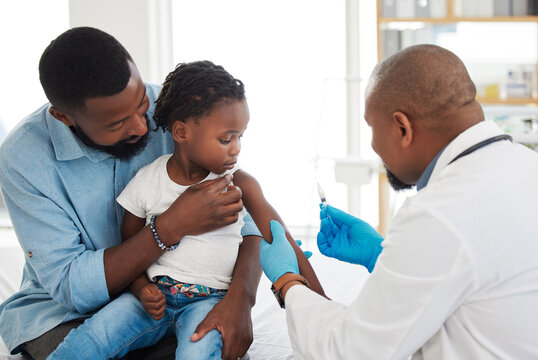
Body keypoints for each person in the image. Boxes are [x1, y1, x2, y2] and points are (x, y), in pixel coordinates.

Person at [0, 27, 264, 360]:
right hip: (64, 315)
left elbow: (251, 223)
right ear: (64, 117)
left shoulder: (175, 114)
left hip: (179, 296)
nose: (143, 127)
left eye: (142, 105)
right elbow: (72, 286)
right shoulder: (23, 158)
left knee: (207, 346)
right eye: (117, 124)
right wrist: (170, 227)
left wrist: (240, 299)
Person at [259, 44, 538, 359]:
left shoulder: (439, 212)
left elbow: (350, 351)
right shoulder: (526, 166)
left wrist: (286, 282)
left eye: (372, 127)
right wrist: (381, 256)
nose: (373, 145)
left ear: (403, 128)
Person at [46, 60, 324, 359]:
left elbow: (282, 240)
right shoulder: (148, 181)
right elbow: (129, 245)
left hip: (209, 303)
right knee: (91, 339)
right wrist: (141, 288)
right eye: (226, 138)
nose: (236, 148)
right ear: (181, 132)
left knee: (199, 352)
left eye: (240, 136)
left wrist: (325, 311)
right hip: (153, 299)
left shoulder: (241, 184)